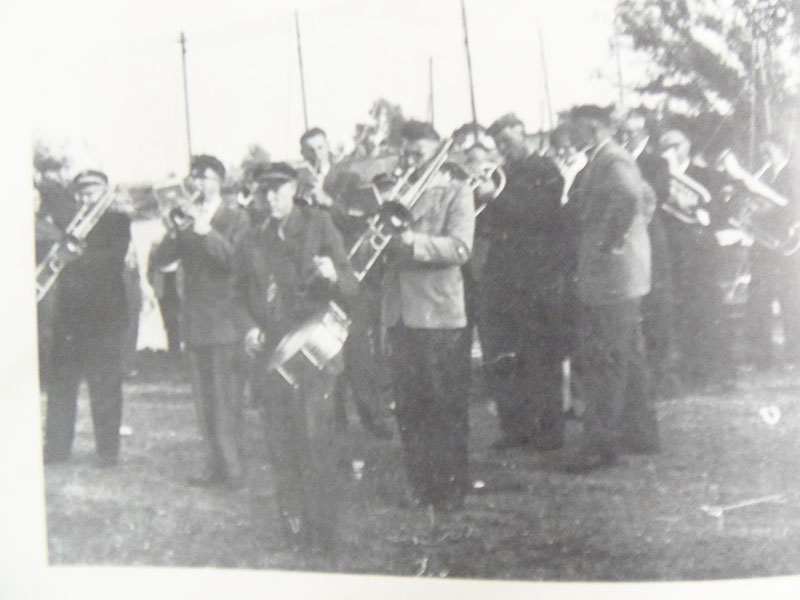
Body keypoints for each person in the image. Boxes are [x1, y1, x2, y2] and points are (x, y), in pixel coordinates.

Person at [235, 162, 357, 558]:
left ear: (294, 189)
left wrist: (333, 274)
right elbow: (238, 294)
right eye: (264, 191)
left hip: (315, 349)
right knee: (281, 443)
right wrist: (248, 328)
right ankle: (294, 525)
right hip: (272, 350)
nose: (270, 197)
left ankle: (323, 531)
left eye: (278, 189)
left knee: (315, 440)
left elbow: (353, 284)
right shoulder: (251, 237)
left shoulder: (319, 224)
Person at [382, 120, 474, 512]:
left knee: (443, 406)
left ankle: (450, 489)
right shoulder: (395, 192)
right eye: (405, 153)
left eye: (418, 153)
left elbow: (460, 249)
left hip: (437, 313)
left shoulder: (456, 190)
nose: (410, 160)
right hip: (399, 314)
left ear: (437, 153)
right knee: (409, 407)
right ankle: (420, 484)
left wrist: (412, 242)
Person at [565, 105, 659, 472]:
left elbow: (629, 197)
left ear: (592, 128)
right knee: (627, 356)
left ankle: (601, 445)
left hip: (614, 276)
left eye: (574, 129)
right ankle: (642, 435)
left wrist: (610, 241)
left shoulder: (611, 158)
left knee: (607, 358)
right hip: (621, 274)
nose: (570, 136)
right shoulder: (606, 158)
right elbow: (643, 198)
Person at [152, 154, 250, 488]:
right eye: (193, 177)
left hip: (224, 320)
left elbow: (235, 261)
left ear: (219, 181)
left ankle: (233, 469)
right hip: (195, 320)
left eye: (204, 177)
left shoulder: (236, 218)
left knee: (226, 399)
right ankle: (213, 465)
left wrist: (204, 229)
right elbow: (161, 261)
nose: (196, 183)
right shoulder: (185, 219)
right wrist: (171, 232)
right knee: (203, 400)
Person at [483, 113, 567, 451]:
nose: (503, 148)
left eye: (507, 140)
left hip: (534, 275)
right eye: (498, 143)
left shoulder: (545, 169)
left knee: (540, 354)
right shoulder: (500, 172)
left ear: (524, 134)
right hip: (503, 274)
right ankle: (515, 428)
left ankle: (549, 431)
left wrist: (494, 196)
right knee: (505, 354)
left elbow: (541, 213)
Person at [43, 170, 131, 467]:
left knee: (104, 385)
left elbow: (112, 262)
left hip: (104, 316)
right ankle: (56, 448)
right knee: (61, 384)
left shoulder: (118, 221)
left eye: (92, 192)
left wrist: (76, 253)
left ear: (105, 193)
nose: (85, 198)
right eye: (81, 192)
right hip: (69, 316)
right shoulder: (66, 222)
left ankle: (107, 451)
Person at [618, 110, 680, 397]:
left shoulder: (656, 162)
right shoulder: (619, 161)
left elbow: (660, 194)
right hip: (628, 242)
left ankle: (661, 377)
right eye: (622, 132)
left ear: (642, 133)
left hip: (651, 241)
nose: (625, 137)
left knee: (657, 309)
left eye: (630, 132)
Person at [743, 138, 800, 367]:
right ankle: (761, 357)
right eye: (762, 150)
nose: (764, 153)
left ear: (781, 149)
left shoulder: (794, 173)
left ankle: (795, 355)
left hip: (789, 245)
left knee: (790, 300)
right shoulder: (764, 175)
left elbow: (794, 207)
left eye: (769, 149)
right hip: (764, 244)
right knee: (759, 299)